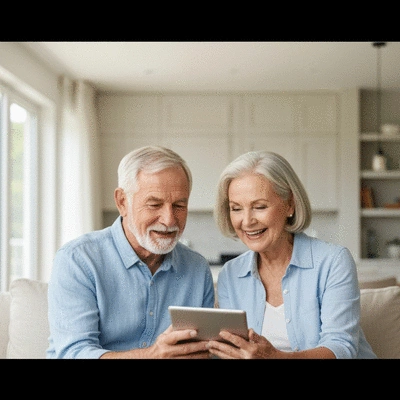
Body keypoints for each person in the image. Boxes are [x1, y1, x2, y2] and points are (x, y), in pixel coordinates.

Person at [47, 145, 215, 359]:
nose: (169, 219)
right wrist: (152, 356)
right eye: (154, 204)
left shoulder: (197, 268)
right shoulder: (78, 260)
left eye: (179, 206)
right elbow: (74, 353)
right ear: (122, 202)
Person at [206, 150, 377, 359]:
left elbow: (341, 348)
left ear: (290, 204)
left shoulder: (333, 261)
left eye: (259, 206)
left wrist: (276, 358)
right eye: (236, 208)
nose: (247, 221)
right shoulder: (231, 274)